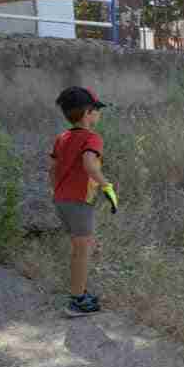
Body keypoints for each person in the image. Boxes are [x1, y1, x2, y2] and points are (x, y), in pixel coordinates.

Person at [50, 86, 118, 317]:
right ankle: (77, 301)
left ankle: (80, 291)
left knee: (84, 246)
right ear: (88, 113)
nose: (99, 114)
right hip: (79, 202)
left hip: (61, 201)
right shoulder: (92, 138)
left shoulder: (62, 137)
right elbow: (90, 165)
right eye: (97, 110)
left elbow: (53, 170)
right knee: (82, 250)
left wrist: (59, 192)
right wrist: (107, 187)